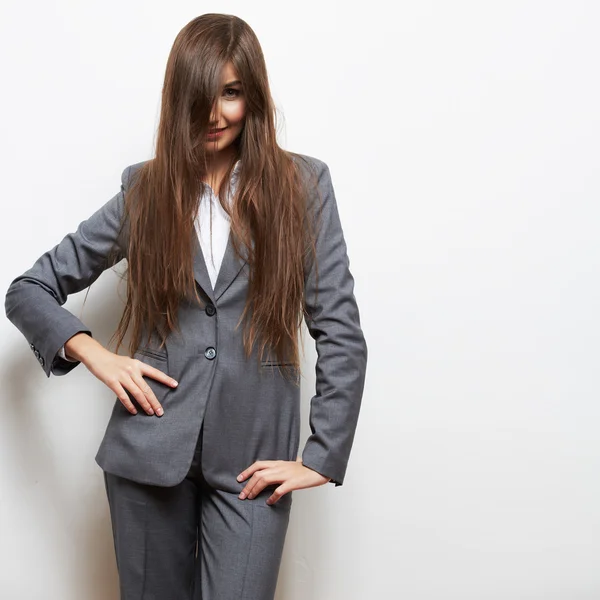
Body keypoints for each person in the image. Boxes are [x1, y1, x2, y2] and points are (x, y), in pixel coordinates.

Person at [4, 13, 367, 600]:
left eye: (230, 93)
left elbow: (340, 329)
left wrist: (321, 456)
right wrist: (98, 355)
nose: (213, 115)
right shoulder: (144, 191)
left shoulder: (303, 186)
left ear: (253, 93)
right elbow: (28, 288)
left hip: (253, 462)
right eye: (199, 95)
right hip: (147, 453)